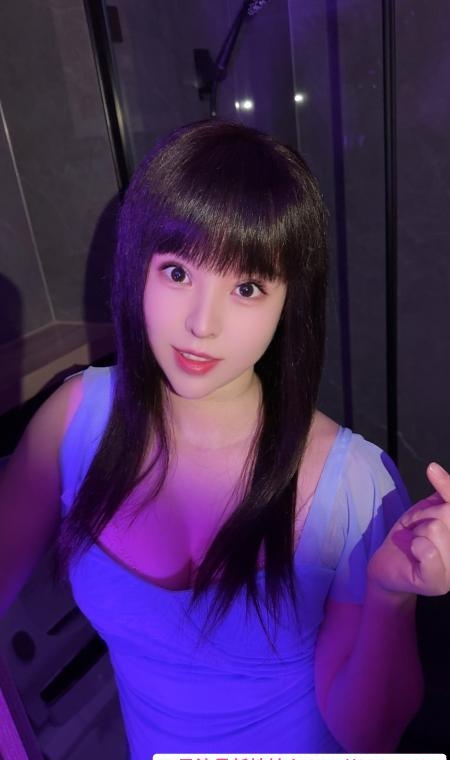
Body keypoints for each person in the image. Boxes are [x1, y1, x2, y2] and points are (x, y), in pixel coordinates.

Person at [1, 120, 450, 758]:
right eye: (177, 272)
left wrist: (389, 595)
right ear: (138, 268)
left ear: (287, 302)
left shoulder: (353, 485)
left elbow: (370, 735)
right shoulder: (74, 422)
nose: (201, 325)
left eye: (246, 288)